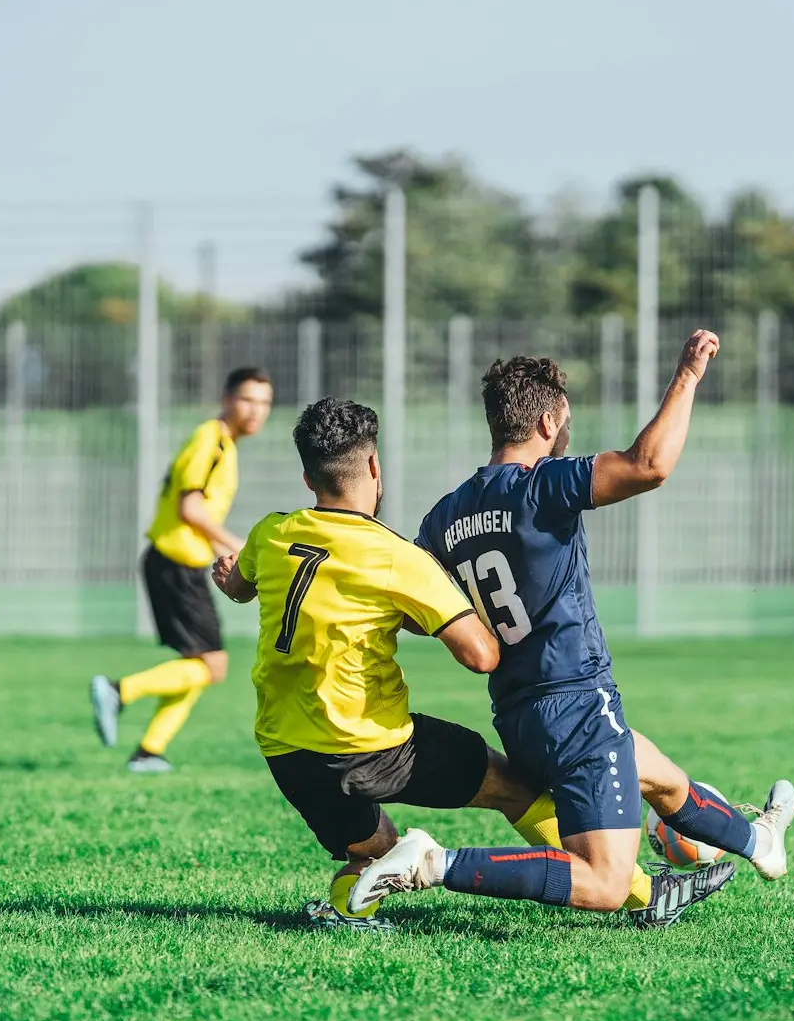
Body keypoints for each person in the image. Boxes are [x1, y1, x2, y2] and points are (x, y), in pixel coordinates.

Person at [213, 398, 733, 930]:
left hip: (288, 753)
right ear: (373, 466)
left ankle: (347, 908)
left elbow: (237, 585)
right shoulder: (395, 557)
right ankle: (641, 895)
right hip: (372, 746)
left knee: (372, 851)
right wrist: (455, 610)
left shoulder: (270, 534)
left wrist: (227, 574)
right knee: (514, 790)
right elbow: (481, 656)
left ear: (306, 477)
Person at [351, 330, 794, 917]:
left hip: (518, 713)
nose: (568, 435)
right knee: (606, 884)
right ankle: (434, 863)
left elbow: (413, 614)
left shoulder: (445, 515)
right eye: (565, 422)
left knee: (663, 780)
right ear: (545, 423)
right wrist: (687, 376)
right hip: (578, 703)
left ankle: (760, 841)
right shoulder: (542, 486)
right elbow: (649, 465)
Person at [89, 367, 272, 773]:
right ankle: (118, 692)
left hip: (181, 564)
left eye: (264, 403)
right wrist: (237, 545)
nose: (256, 410)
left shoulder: (224, 444)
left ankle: (149, 751)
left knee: (200, 666)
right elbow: (189, 509)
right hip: (174, 563)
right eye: (248, 399)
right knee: (213, 665)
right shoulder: (212, 440)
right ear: (227, 399)